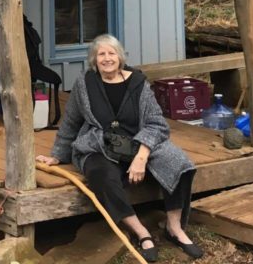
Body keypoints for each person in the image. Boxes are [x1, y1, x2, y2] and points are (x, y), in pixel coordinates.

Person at [36, 35, 203, 262]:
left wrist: (142, 157)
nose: (107, 59)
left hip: (138, 143)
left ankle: (174, 227)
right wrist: (57, 155)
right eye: (101, 54)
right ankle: (140, 231)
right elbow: (71, 122)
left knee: (178, 163)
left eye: (111, 53)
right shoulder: (84, 84)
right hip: (100, 145)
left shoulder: (138, 84)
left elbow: (156, 122)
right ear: (94, 60)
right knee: (100, 174)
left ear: (120, 57)